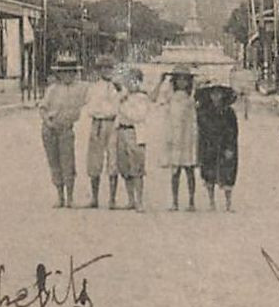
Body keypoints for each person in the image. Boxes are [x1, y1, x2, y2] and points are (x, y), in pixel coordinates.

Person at [38, 52, 87, 208]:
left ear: (75, 73)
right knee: (54, 162)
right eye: (64, 72)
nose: (67, 75)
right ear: (59, 73)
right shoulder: (52, 89)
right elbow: (43, 108)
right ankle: (60, 196)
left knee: (68, 162)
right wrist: (47, 121)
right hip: (50, 128)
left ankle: (70, 197)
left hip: (66, 129)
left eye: (70, 72)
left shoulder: (81, 88)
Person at [158, 65, 199, 211]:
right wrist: (161, 81)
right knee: (175, 171)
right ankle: (175, 201)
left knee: (189, 169)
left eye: (185, 79)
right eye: (179, 79)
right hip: (175, 135)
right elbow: (157, 98)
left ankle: (191, 201)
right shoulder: (170, 96)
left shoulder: (192, 96)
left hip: (188, 136)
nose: (182, 82)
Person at [196, 80, 240, 211]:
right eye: (213, 93)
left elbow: (234, 131)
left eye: (218, 93)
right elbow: (201, 130)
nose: (216, 96)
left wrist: (230, 147)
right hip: (209, 144)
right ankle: (211, 202)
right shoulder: (204, 112)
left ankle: (228, 203)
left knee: (228, 172)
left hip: (226, 145)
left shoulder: (229, 112)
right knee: (209, 172)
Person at [83, 63, 122, 208]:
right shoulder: (94, 87)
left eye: (109, 68)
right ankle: (94, 198)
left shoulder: (117, 87)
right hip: (97, 123)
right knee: (95, 159)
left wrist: (119, 88)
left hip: (111, 123)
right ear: (98, 70)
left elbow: (123, 100)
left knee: (113, 159)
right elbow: (88, 104)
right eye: (103, 68)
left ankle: (112, 199)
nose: (107, 71)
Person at [115, 69, 151, 211]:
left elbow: (138, 116)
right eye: (128, 81)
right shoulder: (122, 96)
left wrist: (123, 106)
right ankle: (131, 200)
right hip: (122, 130)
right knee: (124, 166)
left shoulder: (142, 98)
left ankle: (139, 200)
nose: (131, 84)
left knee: (137, 167)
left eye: (134, 80)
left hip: (134, 132)